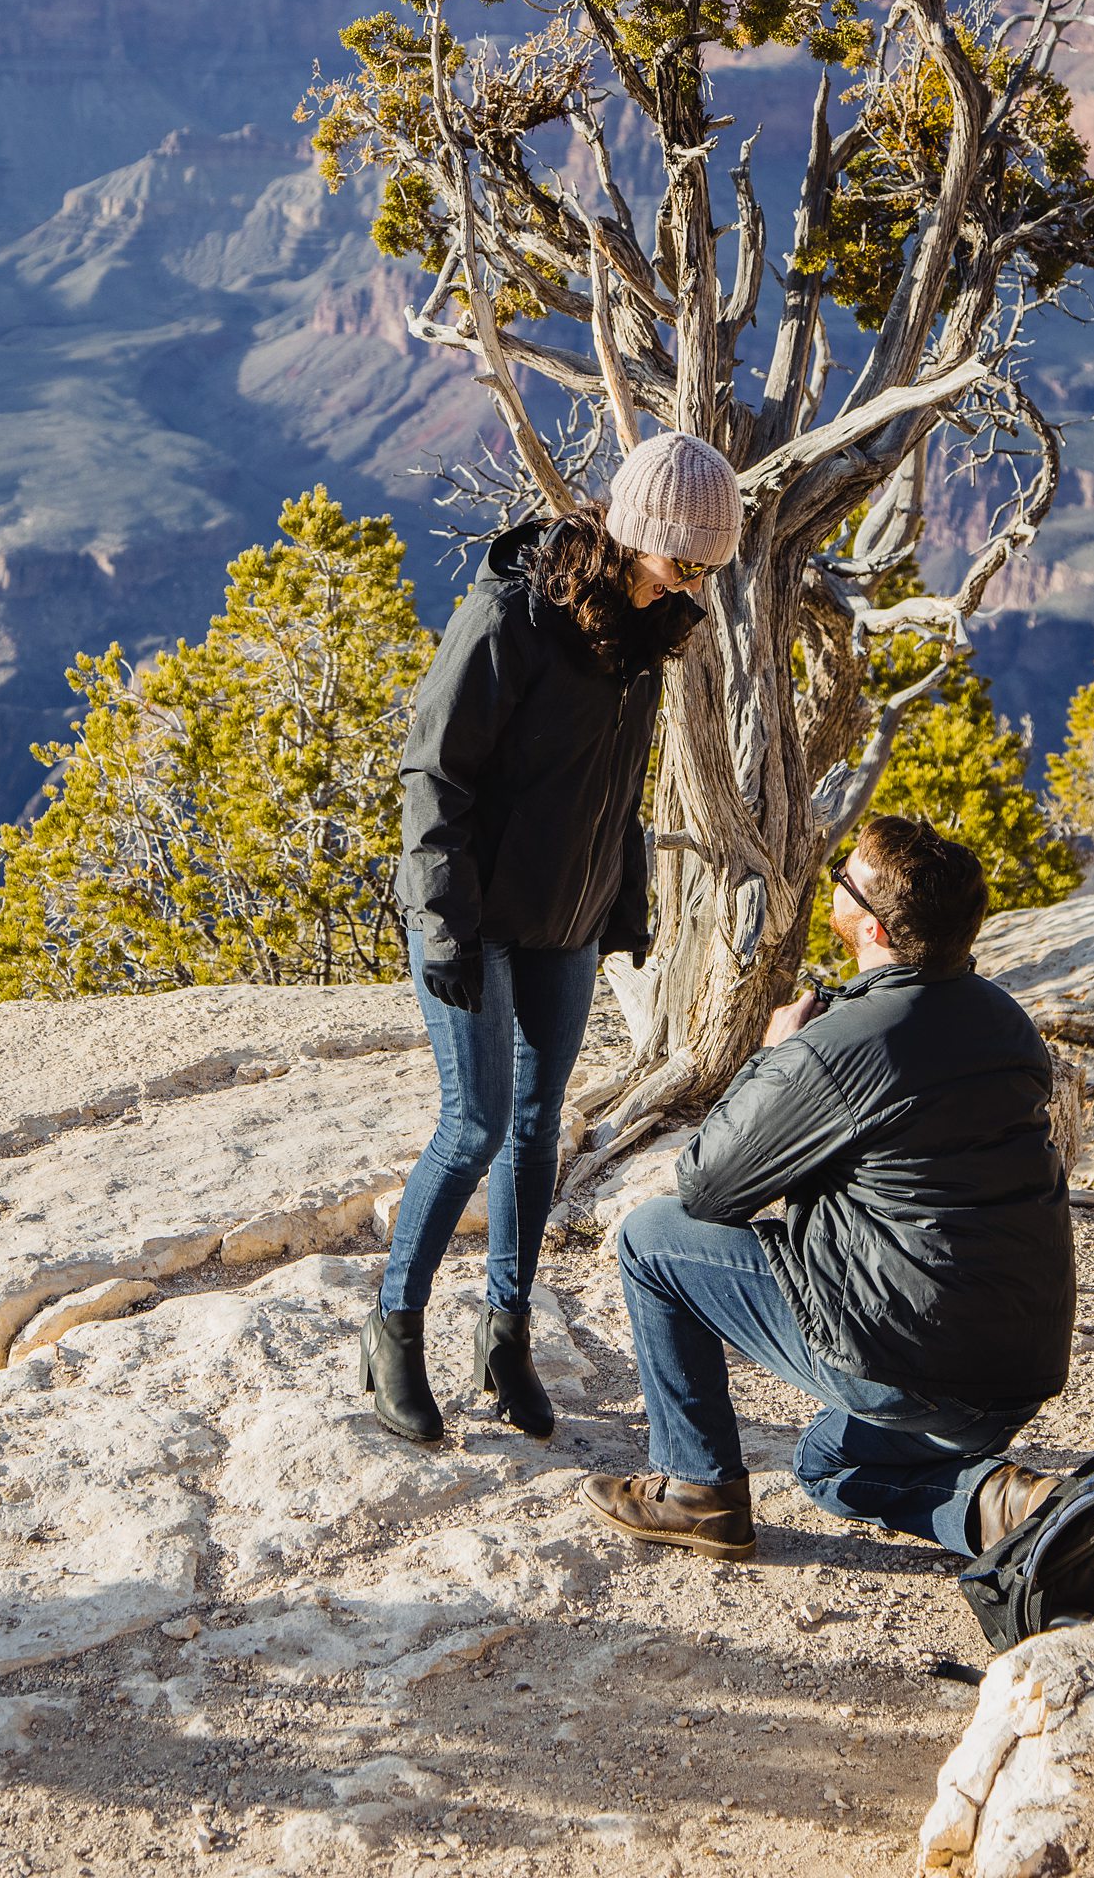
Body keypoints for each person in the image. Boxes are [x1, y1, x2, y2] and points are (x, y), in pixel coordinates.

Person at [365, 430, 741, 1444]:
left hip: (565, 917)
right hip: (476, 915)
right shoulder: (510, 617)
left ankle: (506, 1336)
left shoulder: (649, 631)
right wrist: (441, 920)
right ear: (631, 537)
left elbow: (614, 783)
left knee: (539, 1127)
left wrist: (623, 897)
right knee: (475, 1123)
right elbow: (431, 775)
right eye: (682, 562)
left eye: (708, 567)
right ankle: (393, 1324)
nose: (692, 584)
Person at [576, 812, 1073, 1560]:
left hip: (912, 1363)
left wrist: (775, 1055)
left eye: (844, 879)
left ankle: (695, 1491)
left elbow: (709, 1188)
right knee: (825, 1466)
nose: (833, 880)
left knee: (652, 1238)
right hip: (1011, 1379)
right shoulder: (1003, 1018)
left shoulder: (842, 1046)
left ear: (871, 929)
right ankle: (1005, 1505)